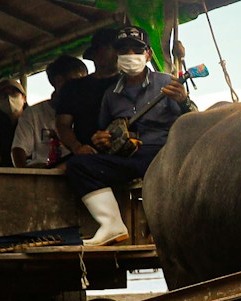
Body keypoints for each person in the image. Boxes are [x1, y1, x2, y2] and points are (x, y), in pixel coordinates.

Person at [65, 25, 191, 246]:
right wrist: (100, 140)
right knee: (78, 165)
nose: (130, 55)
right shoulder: (111, 95)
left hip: (162, 156)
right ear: (117, 55)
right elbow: (107, 134)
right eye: (124, 50)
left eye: (136, 50)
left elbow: (192, 120)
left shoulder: (166, 82)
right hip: (130, 157)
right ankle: (112, 224)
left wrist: (183, 101)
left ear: (148, 54)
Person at [54, 26, 118, 160]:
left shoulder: (130, 84)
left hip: (124, 153)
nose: (117, 53)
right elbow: (63, 124)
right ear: (96, 54)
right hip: (87, 156)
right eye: (110, 48)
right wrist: (77, 147)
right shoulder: (73, 88)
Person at [12, 54, 87, 167]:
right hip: (43, 172)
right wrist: (25, 176)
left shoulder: (86, 111)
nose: (82, 87)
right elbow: (19, 149)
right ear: (59, 81)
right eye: (77, 82)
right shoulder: (33, 113)